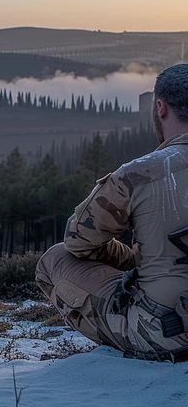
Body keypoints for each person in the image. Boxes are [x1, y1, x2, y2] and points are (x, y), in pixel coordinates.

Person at [36, 63, 188, 359]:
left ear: (160, 108)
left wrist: (130, 260)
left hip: (166, 335)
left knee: (54, 258)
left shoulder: (138, 175)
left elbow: (78, 242)